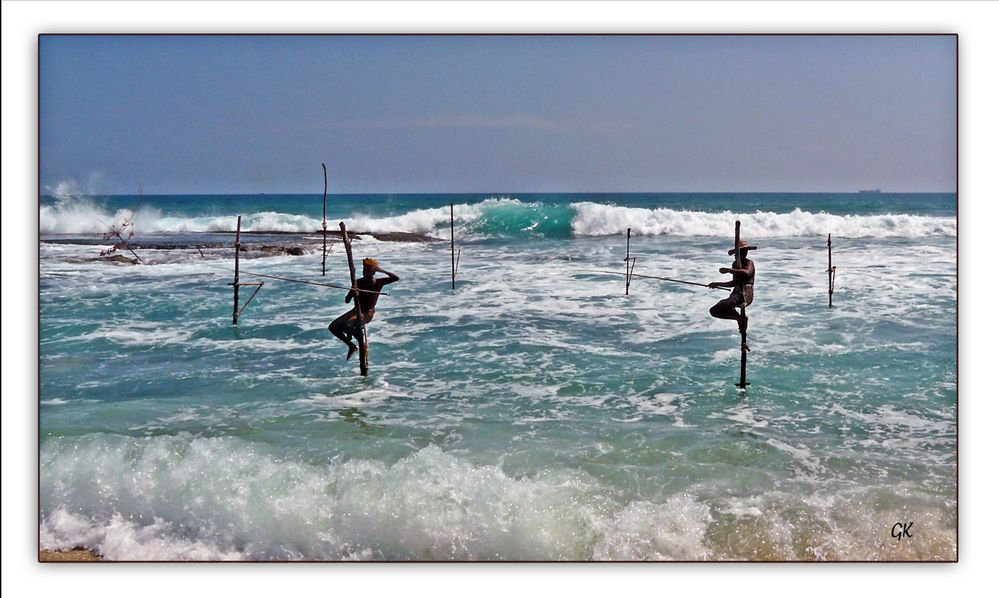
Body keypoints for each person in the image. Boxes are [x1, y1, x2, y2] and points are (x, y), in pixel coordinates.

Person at [328, 258, 399, 360]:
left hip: (367, 313)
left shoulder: (378, 282)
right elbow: (347, 301)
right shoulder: (358, 282)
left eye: (368, 271)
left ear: (374, 272)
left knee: (347, 325)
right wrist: (352, 292)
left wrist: (381, 270)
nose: (365, 273)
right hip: (355, 311)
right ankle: (351, 345)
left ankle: (360, 341)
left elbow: (396, 278)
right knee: (333, 327)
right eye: (364, 271)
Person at [708, 240, 757, 348]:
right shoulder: (735, 264)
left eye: (745, 251)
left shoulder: (749, 263)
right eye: (740, 252)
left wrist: (730, 270)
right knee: (714, 310)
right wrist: (717, 283)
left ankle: (742, 328)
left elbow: (747, 273)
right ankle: (739, 318)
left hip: (745, 293)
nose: (744, 254)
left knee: (725, 304)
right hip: (736, 293)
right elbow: (734, 283)